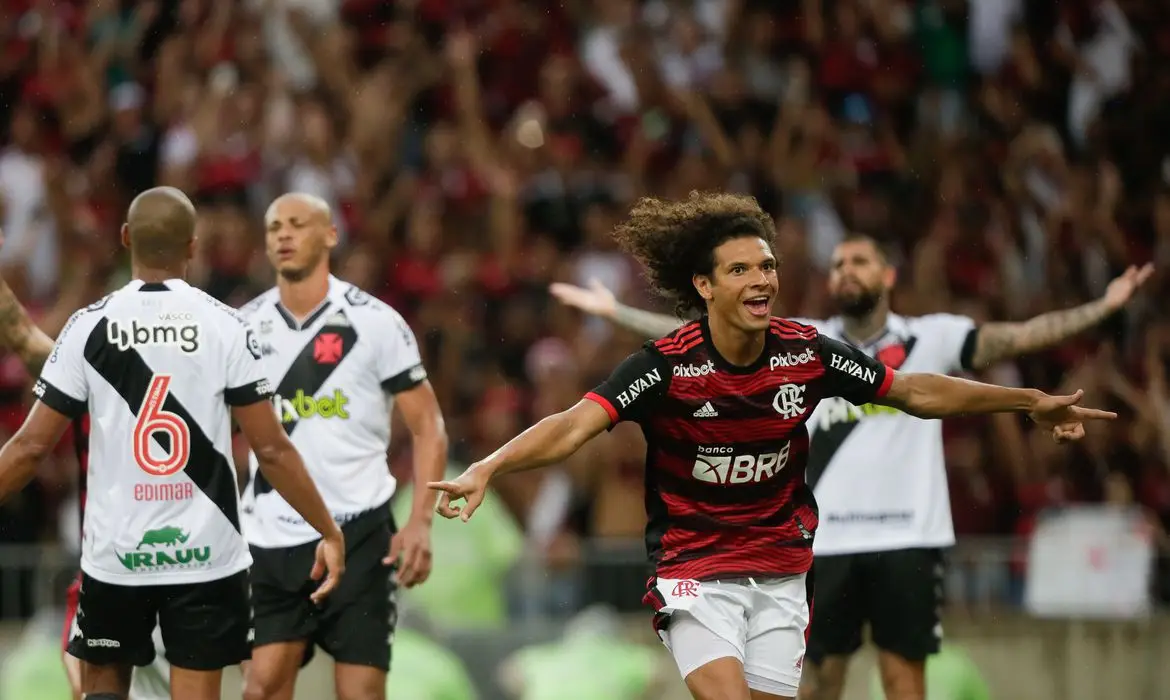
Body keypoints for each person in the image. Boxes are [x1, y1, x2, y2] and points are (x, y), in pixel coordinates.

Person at [429, 192, 1114, 700]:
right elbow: (574, 424)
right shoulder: (665, 366)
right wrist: (489, 465)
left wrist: (1027, 403)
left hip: (782, 575)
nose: (762, 281)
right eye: (741, 271)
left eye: (767, 266)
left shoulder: (808, 353)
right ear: (704, 286)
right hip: (694, 571)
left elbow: (915, 392)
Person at [0, 187, 345, 700]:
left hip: (118, 556)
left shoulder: (87, 327)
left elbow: (30, 448)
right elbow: (271, 449)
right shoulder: (229, 328)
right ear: (192, 246)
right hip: (206, 560)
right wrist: (327, 528)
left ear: (125, 239)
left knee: (98, 691)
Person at [239, 193, 448, 700]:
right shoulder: (240, 326)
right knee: (261, 687)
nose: (283, 235)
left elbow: (429, 426)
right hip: (270, 536)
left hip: (360, 530)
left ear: (330, 235)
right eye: (273, 227)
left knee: (361, 694)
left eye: (297, 224)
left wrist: (420, 520)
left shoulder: (375, 322)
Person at [0, 236, 174, 700]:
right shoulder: (208, 370)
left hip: (136, 575)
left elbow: (22, 338)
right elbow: (20, 333)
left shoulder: (87, 369)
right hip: (170, 576)